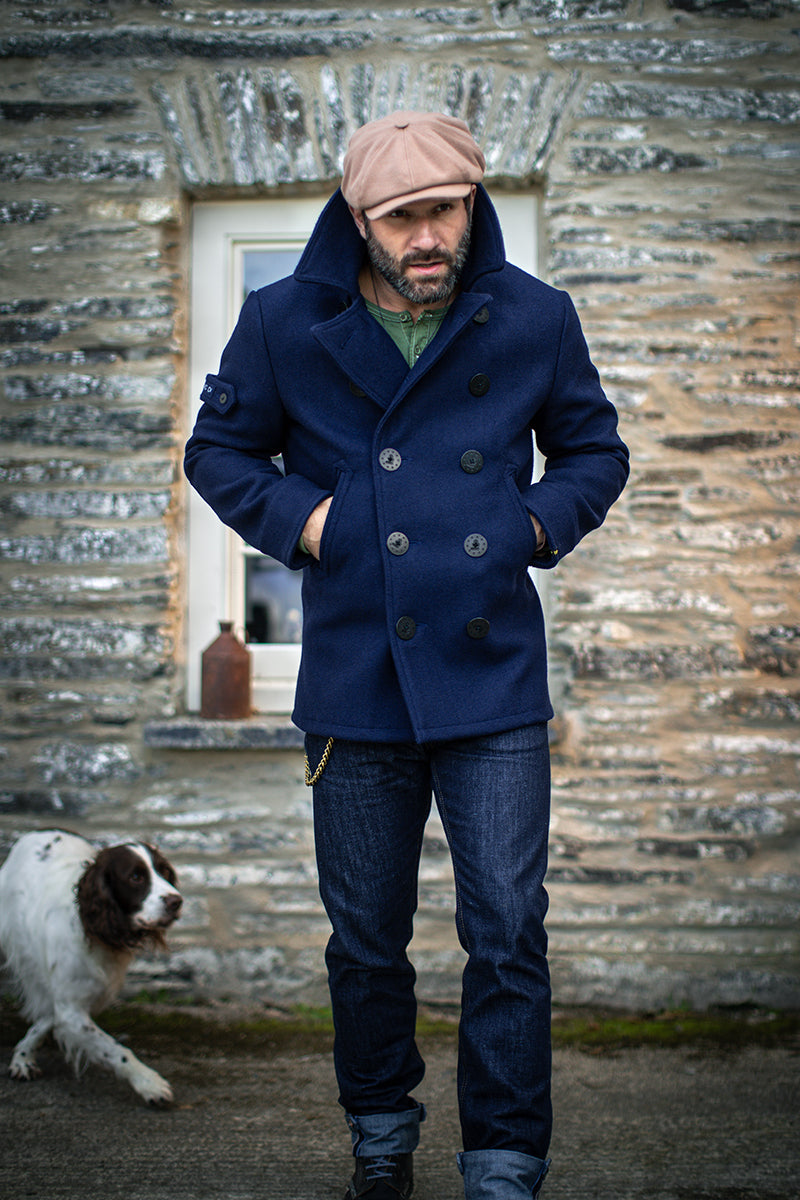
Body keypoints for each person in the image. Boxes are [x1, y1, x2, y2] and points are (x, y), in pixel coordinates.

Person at [185, 110, 629, 1200]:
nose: (427, 237)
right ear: (358, 219)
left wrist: (530, 527)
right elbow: (219, 451)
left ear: (472, 203)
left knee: (507, 932)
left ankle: (504, 1160)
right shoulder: (284, 320)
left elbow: (594, 451)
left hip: (492, 678)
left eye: (445, 210)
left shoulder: (535, 316)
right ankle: (381, 1134)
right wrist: (314, 524)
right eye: (400, 219)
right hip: (353, 677)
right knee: (366, 941)